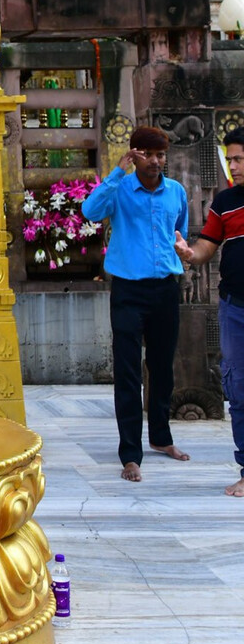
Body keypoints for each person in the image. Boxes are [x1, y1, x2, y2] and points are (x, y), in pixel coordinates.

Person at [82, 126, 190, 482]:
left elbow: (181, 232)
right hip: (128, 291)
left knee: (161, 368)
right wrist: (118, 171)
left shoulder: (175, 191)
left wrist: (183, 252)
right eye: (148, 154)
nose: (156, 162)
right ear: (135, 154)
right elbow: (90, 210)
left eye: (161, 155)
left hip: (165, 290)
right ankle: (130, 454)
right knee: (128, 373)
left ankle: (161, 438)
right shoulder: (121, 189)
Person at [174, 127, 244, 497]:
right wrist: (188, 252)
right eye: (229, 159)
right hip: (235, 307)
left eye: (238, 159)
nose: (232, 166)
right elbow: (207, 248)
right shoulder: (225, 202)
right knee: (238, 387)